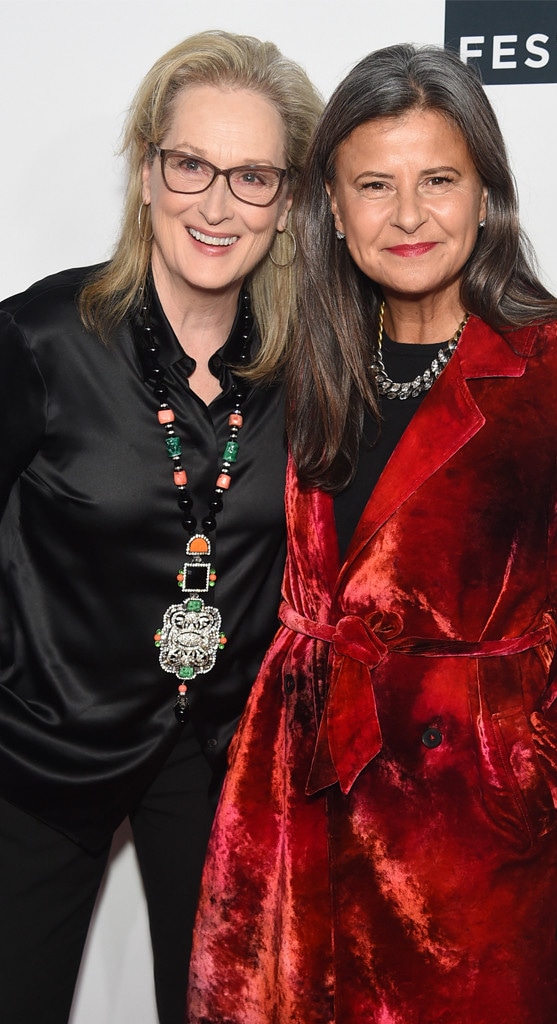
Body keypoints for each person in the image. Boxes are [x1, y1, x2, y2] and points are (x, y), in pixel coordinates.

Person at [188, 44, 557, 1024]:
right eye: (374, 185)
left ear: (486, 198)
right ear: (333, 214)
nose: (407, 215)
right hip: (295, 820)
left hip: (475, 851)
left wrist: (519, 769)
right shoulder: (298, 369)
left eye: (438, 180)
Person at [0, 29, 321, 1024]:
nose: (216, 204)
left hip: (218, 756)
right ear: (146, 172)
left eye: (253, 176)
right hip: (42, 744)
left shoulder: (310, 366)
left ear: (287, 200)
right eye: (191, 164)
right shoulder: (37, 339)